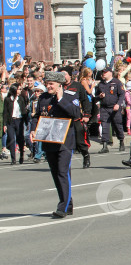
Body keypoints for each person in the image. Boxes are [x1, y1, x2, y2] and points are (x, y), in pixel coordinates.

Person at [32, 72, 81, 218]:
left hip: (65, 142)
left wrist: (60, 99)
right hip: (49, 141)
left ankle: (62, 207)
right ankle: (68, 204)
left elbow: (76, 113)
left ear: (60, 85)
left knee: (62, 172)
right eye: (47, 83)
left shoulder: (69, 96)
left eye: (51, 84)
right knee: (56, 174)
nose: (48, 86)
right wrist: (33, 130)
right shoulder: (43, 98)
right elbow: (37, 116)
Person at [63, 68, 91, 169]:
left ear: (70, 76)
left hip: (76, 118)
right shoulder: (59, 87)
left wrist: (86, 115)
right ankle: (64, 163)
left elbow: (85, 100)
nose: (63, 76)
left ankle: (86, 155)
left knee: (80, 141)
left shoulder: (77, 86)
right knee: (64, 143)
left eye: (65, 74)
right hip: (63, 120)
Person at [95, 68, 125, 154]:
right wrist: (99, 97)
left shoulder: (117, 82)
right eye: (102, 72)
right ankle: (105, 145)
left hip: (114, 107)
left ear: (110, 73)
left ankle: (121, 141)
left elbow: (122, 94)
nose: (103, 74)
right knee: (104, 126)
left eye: (105, 72)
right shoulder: (101, 84)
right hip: (104, 107)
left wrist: (118, 104)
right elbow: (96, 96)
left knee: (117, 125)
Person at [4, 85, 29, 165]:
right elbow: (5, 112)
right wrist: (4, 124)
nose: (19, 90)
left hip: (19, 120)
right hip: (10, 121)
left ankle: (21, 155)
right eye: (18, 89)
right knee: (11, 139)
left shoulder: (21, 99)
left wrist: (26, 122)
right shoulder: (8, 99)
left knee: (20, 138)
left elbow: (24, 112)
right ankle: (13, 159)